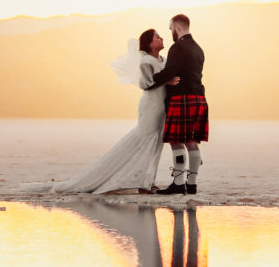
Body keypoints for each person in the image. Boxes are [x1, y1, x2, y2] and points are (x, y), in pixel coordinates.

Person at [22, 29, 179, 194]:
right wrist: (167, 81)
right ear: (149, 43)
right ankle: (143, 184)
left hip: (163, 106)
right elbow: (146, 85)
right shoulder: (146, 61)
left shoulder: (165, 59)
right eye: (157, 37)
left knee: (156, 144)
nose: (161, 38)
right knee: (145, 141)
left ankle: (148, 181)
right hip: (151, 106)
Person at [151, 14, 208, 195]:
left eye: (170, 30)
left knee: (176, 142)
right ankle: (191, 185)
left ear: (177, 27)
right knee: (191, 141)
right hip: (198, 97)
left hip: (181, 98)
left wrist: (151, 79)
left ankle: (178, 183)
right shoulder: (199, 49)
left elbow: (170, 72)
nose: (170, 34)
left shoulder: (178, 47)